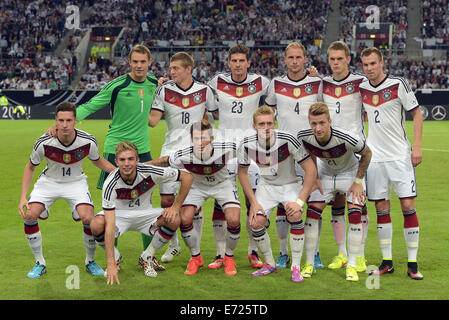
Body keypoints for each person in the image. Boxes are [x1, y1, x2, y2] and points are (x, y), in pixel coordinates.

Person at [49, 44, 160, 255]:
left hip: (142, 150)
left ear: (149, 63)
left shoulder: (154, 83)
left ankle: (148, 256)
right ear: (129, 62)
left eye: (143, 62)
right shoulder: (117, 85)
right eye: (135, 61)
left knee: (147, 201)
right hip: (114, 149)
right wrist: (66, 123)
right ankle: (114, 255)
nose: (139, 66)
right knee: (113, 201)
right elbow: (90, 105)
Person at [18, 102, 116, 279]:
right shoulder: (44, 142)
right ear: (55, 120)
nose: (64, 124)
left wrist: (118, 172)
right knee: (30, 214)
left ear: (75, 120)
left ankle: (90, 261)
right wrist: (23, 197)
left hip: (76, 182)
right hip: (49, 182)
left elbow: (97, 160)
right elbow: (30, 167)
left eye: (69, 120)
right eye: (61, 120)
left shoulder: (87, 140)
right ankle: (40, 262)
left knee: (88, 217)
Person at [359, 47, 423, 280]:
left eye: (373, 64)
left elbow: (417, 114)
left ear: (382, 62)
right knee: (381, 208)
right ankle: (387, 262)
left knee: (407, 205)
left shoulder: (399, 84)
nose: (369, 68)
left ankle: (413, 263)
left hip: (399, 156)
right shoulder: (362, 87)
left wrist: (416, 147)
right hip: (375, 159)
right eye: (366, 65)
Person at [90, 141, 193, 285]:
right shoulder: (110, 183)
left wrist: (175, 207)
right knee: (95, 224)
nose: (127, 164)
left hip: (145, 214)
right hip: (120, 216)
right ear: (116, 162)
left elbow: (187, 177)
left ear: (138, 160)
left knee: (174, 219)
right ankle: (116, 258)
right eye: (122, 160)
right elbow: (110, 224)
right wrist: (110, 262)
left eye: (131, 159)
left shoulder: (150, 171)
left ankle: (147, 256)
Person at [148, 120, 241, 276]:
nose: (200, 142)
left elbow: (248, 151)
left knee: (233, 219)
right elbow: (165, 161)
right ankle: (195, 257)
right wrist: (142, 165)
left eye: (204, 138)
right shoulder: (184, 153)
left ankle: (229, 258)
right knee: (185, 218)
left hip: (223, 184)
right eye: (196, 138)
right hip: (197, 186)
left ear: (211, 138)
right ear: (191, 138)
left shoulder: (227, 148)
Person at [148, 52, 217, 263]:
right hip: (169, 150)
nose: (171, 72)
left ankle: (194, 251)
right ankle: (174, 244)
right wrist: (150, 92)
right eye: (171, 68)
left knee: (193, 204)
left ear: (189, 69)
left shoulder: (205, 91)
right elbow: (152, 121)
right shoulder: (164, 90)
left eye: (176, 68)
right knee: (167, 200)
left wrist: (208, 144)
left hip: (195, 153)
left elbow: (213, 120)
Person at [207, 44, 270, 270]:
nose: (238, 64)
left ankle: (253, 251)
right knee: (220, 201)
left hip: (252, 150)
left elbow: (274, 103)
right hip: (223, 150)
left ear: (248, 63)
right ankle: (220, 253)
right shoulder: (215, 83)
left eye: (242, 60)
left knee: (251, 199)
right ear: (229, 62)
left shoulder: (262, 82)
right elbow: (203, 101)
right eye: (234, 60)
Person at [237, 106, 318, 282]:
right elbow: (242, 173)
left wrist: (300, 202)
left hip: (290, 185)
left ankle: (295, 267)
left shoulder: (287, 140)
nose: (266, 127)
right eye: (261, 124)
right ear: (254, 126)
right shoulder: (246, 144)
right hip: (266, 187)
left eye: (269, 123)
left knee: (295, 214)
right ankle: (269, 264)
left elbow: (311, 170)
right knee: (256, 222)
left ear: (275, 124)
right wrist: (253, 202)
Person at [298, 102, 372, 281]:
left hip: (349, 174)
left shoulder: (346, 137)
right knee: (312, 213)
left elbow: (367, 154)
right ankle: (309, 264)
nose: (318, 128)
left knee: (354, 214)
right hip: (326, 174)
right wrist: (315, 176)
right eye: (314, 123)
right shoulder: (304, 136)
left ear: (330, 121)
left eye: (322, 123)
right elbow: (310, 152)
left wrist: (357, 181)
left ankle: (352, 266)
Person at [264, 41, 322, 269]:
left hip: (311, 153)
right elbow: (268, 114)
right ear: (285, 60)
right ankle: (282, 252)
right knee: (283, 204)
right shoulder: (276, 84)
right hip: (284, 153)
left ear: (305, 59)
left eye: (299, 57)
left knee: (314, 204)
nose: (295, 61)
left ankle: (314, 253)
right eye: (291, 58)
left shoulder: (316, 83)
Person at [319, 40, 370, 271]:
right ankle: (341, 253)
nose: (336, 63)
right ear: (328, 61)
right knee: (336, 204)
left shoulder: (361, 82)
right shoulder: (323, 85)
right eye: (332, 59)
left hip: (356, 152)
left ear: (349, 59)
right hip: (331, 154)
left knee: (358, 204)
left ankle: (359, 256)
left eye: (340, 58)